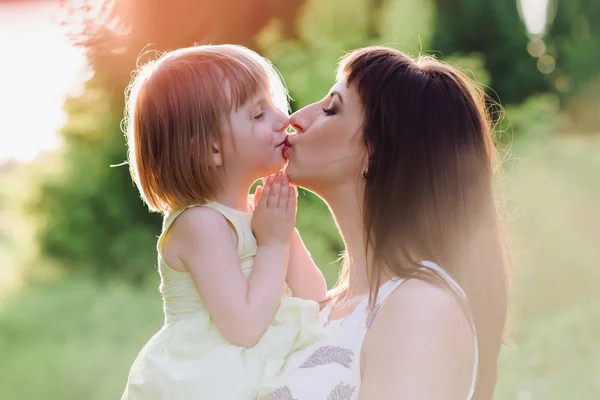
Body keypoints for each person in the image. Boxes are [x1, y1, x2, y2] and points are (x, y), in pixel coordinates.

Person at [268, 46, 510, 400]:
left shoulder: (421, 308)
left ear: (374, 150)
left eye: (331, 109)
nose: (298, 118)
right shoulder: (324, 308)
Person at [120, 44, 327, 400]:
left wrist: (284, 234)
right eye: (260, 114)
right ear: (212, 149)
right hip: (204, 381)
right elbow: (245, 327)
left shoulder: (252, 212)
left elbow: (314, 298)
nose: (283, 119)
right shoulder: (200, 224)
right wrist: (273, 244)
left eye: (275, 105)